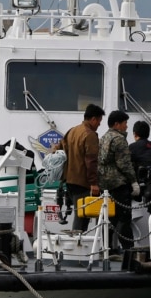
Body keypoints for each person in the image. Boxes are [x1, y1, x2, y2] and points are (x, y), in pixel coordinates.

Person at [58, 103, 106, 232]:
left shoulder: (71, 131)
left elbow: (59, 151)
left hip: (69, 180)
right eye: (99, 121)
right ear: (93, 119)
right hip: (83, 181)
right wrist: (94, 183)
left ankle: (79, 242)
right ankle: (77, 245)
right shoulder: (90, 135)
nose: (99, 125)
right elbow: (91, 160)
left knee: (79, 213)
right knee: (82, 216)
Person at [98, 110, 140, 252]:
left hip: (104, 184)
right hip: (118, 184)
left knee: (108, 219)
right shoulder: (119, 139)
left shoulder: (103, 138)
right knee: (123, 218)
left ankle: (107, 249)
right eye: (125, 123)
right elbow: (124, 164)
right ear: (117, 124)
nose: (126, 126)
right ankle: (129, 249)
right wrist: (134, 182)